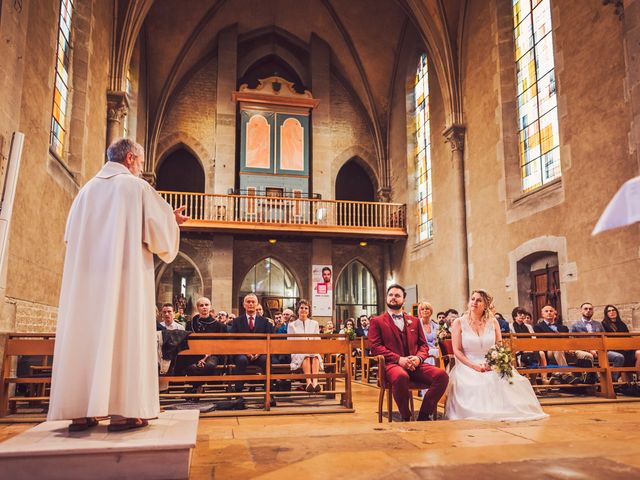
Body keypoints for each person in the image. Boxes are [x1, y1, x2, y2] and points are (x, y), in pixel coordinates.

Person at [48, 138, 186, 432]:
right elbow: (161, 237)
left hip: (85, 286)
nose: (140, 169)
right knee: (125, 335)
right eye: (140, 163)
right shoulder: (135, 188)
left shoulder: (84, 192)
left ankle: (81, 412)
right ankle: (125, 413)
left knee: (85, 337)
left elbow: (69, 237)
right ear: (130, 159)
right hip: (124, 281)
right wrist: (172, 222)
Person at [445, 289, 547, 421]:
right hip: (468, 363)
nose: (474, 302)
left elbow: (499, 345)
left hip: (491, 363)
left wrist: (493, 362)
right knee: (477, 383)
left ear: (485, 305)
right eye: (473, 299)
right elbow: (457, 350)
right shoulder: (459, 322)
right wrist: (474, 366)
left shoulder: (493, 322)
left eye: (479, 300)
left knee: (513, 381)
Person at [369, 284, 449, 421]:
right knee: (401, 376)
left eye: (397, 295)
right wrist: (399, 359)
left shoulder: (415, 321)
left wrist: (418, 358)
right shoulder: (377, 321)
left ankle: (423, 415)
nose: (393, 298)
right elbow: (376, 347)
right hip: (392, 365)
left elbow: (423, 345)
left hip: (415, 364)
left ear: (404, 300)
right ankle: (406, 417)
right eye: (391, 295)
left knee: (441, 375)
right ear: (386, 298)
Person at [570, 302, 625, 380]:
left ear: (593, 311)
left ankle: (612, 381)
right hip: (584, 351)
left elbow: (604, 338)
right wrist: (588, 350)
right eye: (585, 309)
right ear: (581, 311)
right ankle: (595, 380)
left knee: (619, 357)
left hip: (599, 350)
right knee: (589, 357)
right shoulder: (575, 324)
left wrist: (600, 349)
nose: (588, 310)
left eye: (590, 309)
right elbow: (572, 341)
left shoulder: (598, 324)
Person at [230, 293, 272, 392]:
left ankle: (269, 392)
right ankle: (238, 392)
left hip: (260, 353)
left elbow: (268, 340)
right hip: (242, 353)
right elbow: (233, 340)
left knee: (267, 360)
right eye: (248, 302)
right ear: (244, 305)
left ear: (257, 304)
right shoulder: (237, 321)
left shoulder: (265, 322)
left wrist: (259, 352)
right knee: (241, 360)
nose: (251, 304)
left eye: (253, 302)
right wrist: (245, 352)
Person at [288, 299, 323, 393]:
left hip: (312, 350)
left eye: (306, 308)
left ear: (309, 311)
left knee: (315, 355)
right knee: (306, 356)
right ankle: (308, 383)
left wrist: (311, 348)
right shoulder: (292, 325)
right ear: (298, 310)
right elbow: (290, 342)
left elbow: (317, 340)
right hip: (298, 352)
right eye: (301, 308)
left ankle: (315, 383)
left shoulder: (314, 323)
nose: (304, 310)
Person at [601, 304, 640, 382]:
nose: (612, 312)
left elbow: (628, 337)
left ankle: (638, 379)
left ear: (617, 312)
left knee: (639, 353)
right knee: (620, 356)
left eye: (613, 310)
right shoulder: (604, 324)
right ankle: (614, 381)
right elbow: (605, 339)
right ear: (606, 314)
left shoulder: (622, 324)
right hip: (613, 349)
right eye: (609, 311)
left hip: (626, 349)